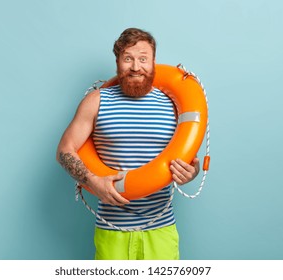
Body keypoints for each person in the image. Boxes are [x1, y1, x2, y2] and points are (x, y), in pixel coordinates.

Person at [56, 28, 200, 260]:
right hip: (112, 230)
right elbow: (64, 151)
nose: (136, 67)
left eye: (143, 58)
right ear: (118, 62)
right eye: (128, 58)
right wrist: (93, 182)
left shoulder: (174, 105)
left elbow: (188, 156)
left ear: (154, 62)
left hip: (161, 229)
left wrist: (192, 172)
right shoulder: (96, 101)